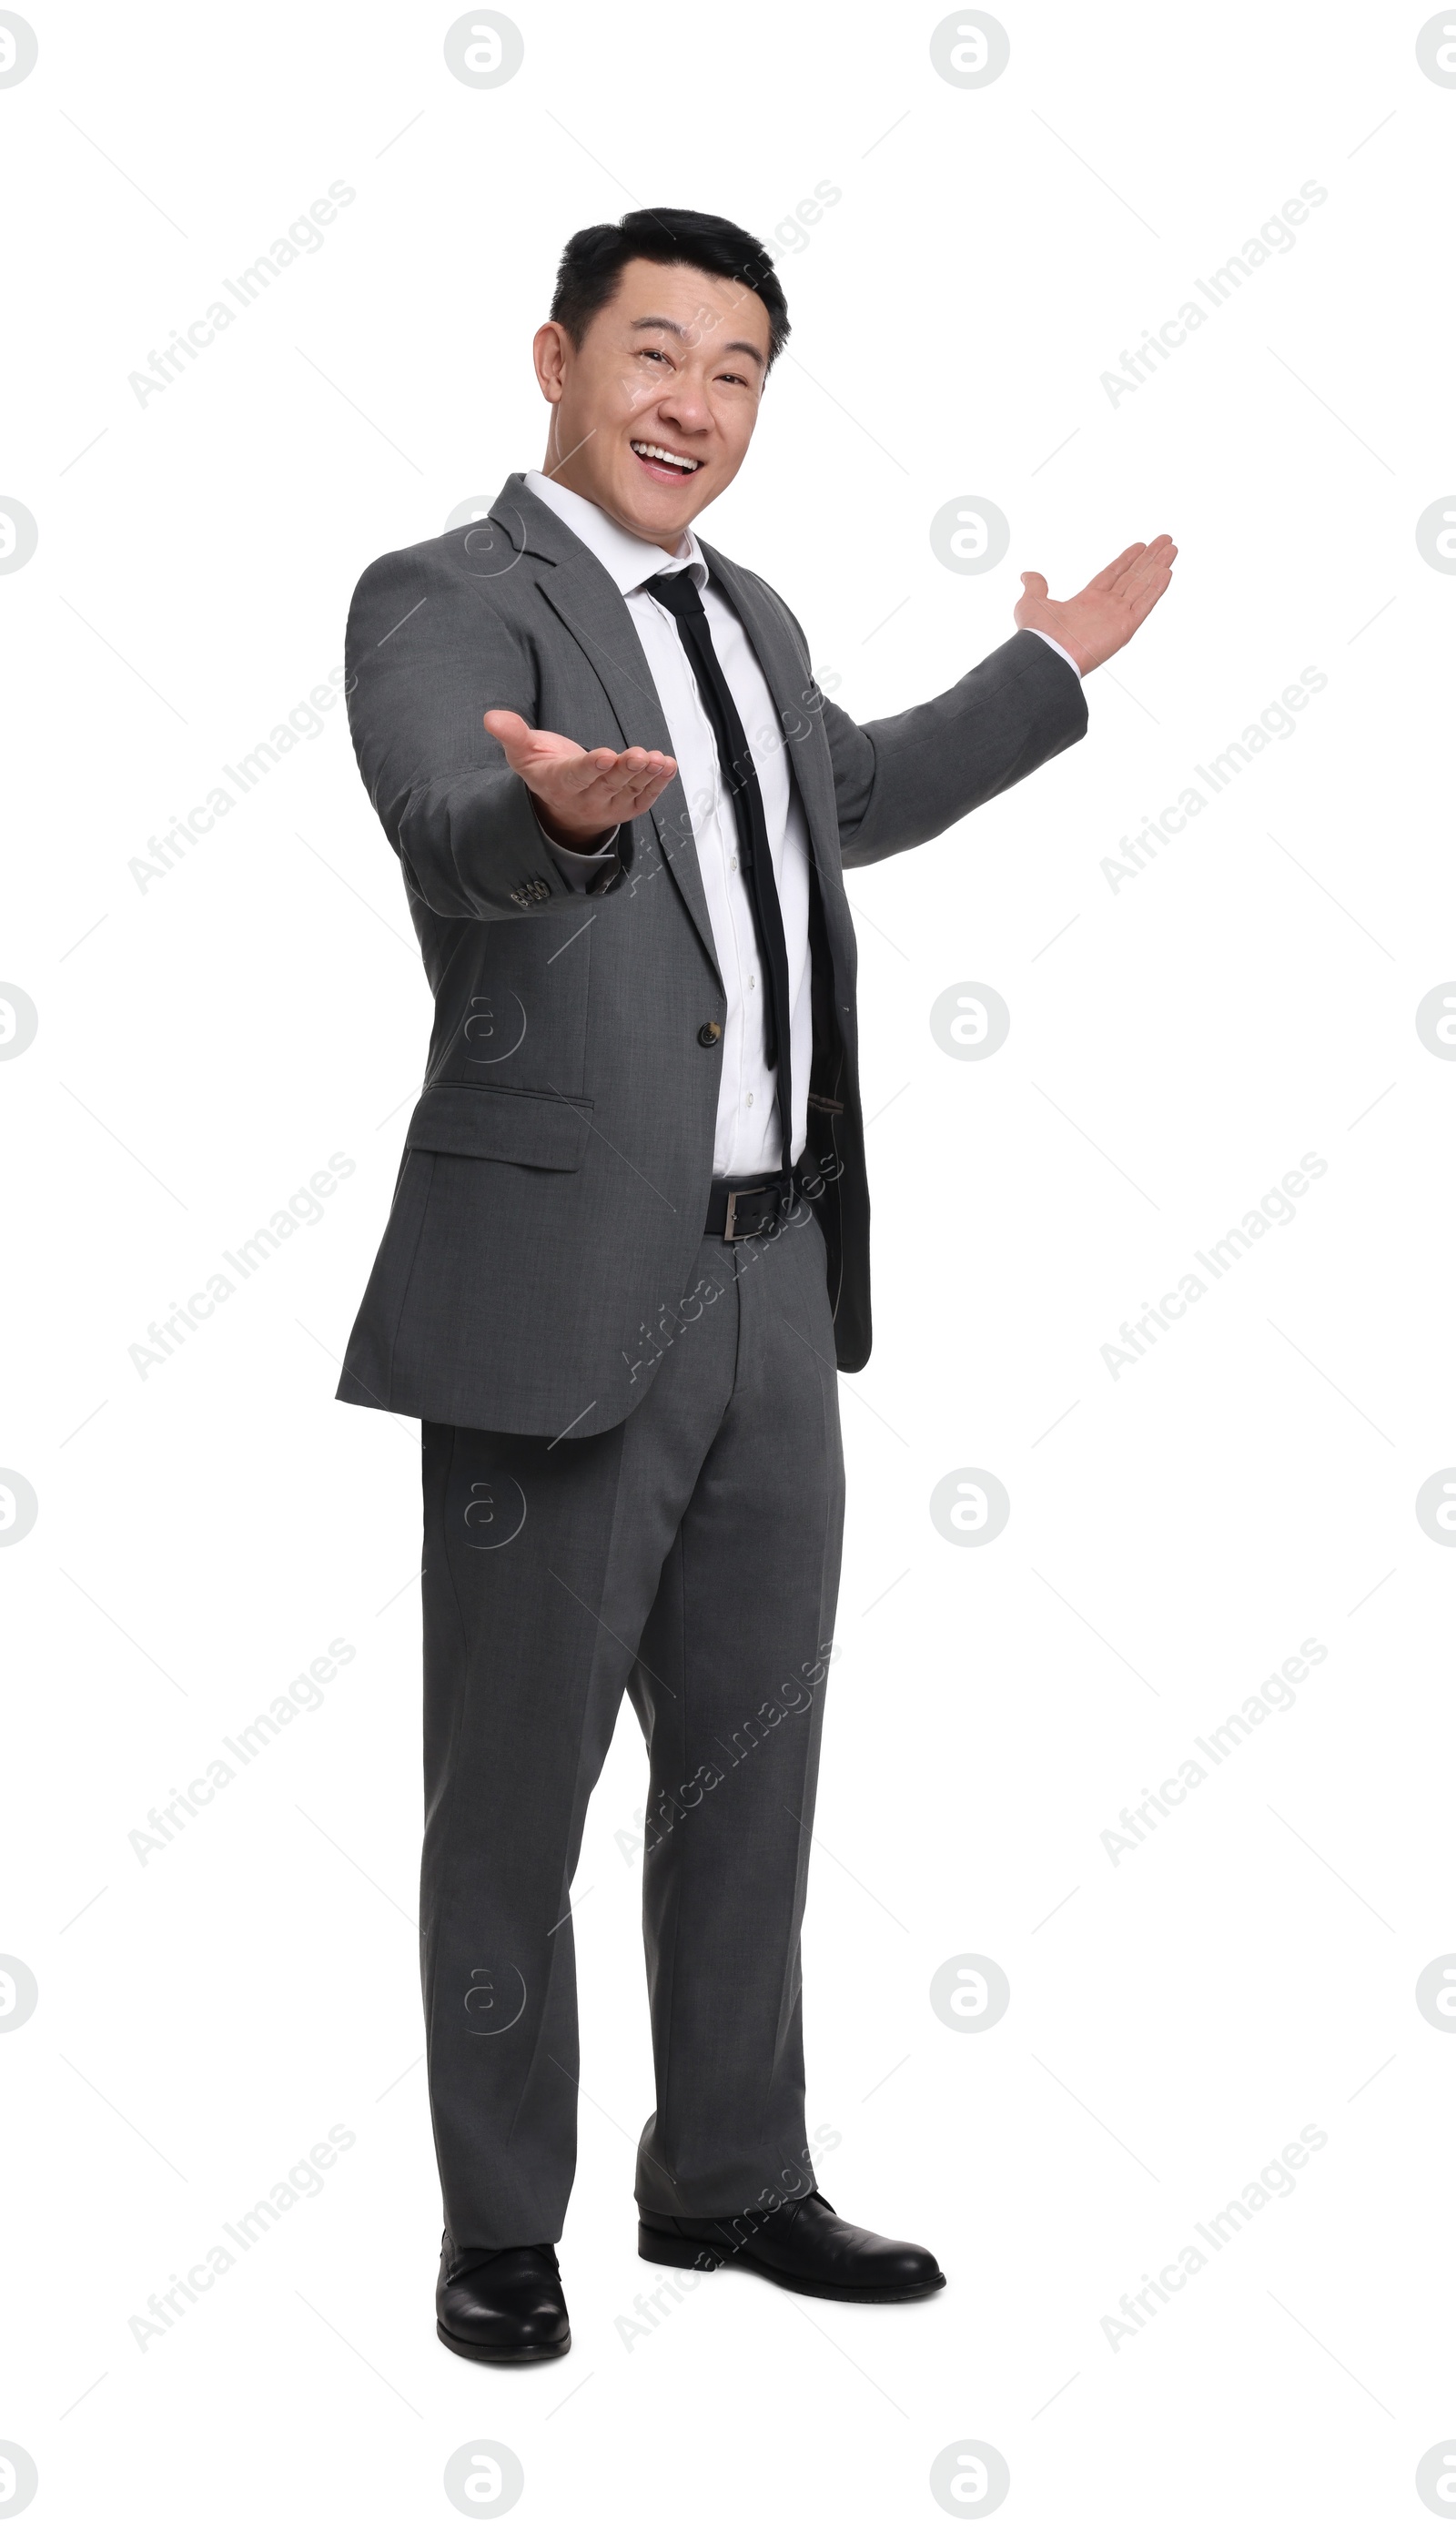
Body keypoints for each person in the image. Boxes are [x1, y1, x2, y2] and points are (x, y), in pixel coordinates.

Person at [337, 206, 1175, 2363]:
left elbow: (849, 792)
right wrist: (568, 824)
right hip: (553, 1298)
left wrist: (1052, 668)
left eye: (734, 369)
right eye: (653, 352)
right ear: (553, 356)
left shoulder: (748, 615)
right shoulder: (447, 598)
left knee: (747, 1769)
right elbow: (454, 809)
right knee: (511, 1795)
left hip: (777, 1291)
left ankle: (724, 2174)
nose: (690, 403)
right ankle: (499, 2223)